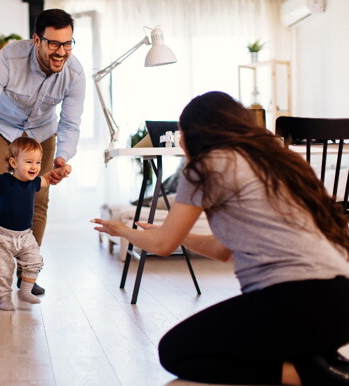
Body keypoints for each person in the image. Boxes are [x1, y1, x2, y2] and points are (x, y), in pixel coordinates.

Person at [93, 91, 349, 385]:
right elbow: (222, 250)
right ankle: (325, 364)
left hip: (294, 302)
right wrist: (183, 236)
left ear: (195, 134)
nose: (179, 140)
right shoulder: (277, 161)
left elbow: (163, 246)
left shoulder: (206, 165)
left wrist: (122, 231)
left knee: (175, 352)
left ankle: (301, 374)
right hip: (339, 303)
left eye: (181, 133)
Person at [0, 8, 85, 297]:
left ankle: (28, 273)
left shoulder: (74, 73)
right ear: (36, 39)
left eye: (67, 44)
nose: (61, 52)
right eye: (53, 44)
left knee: (38, 197)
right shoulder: (9, 59)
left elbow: (71, 122)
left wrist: (63, 156)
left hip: (42, 132)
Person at [0, 137, 71, 311]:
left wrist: (63, 169)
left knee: (35, 262)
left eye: (38, 162)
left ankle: (25, 290)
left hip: (25, 236)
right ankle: (4, 299)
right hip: (3, 237)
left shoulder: (34, 183)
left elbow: (49, 177)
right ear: (13, 162)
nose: (34, 167)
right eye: (28, 162)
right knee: (2, 272)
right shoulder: (4, 180)